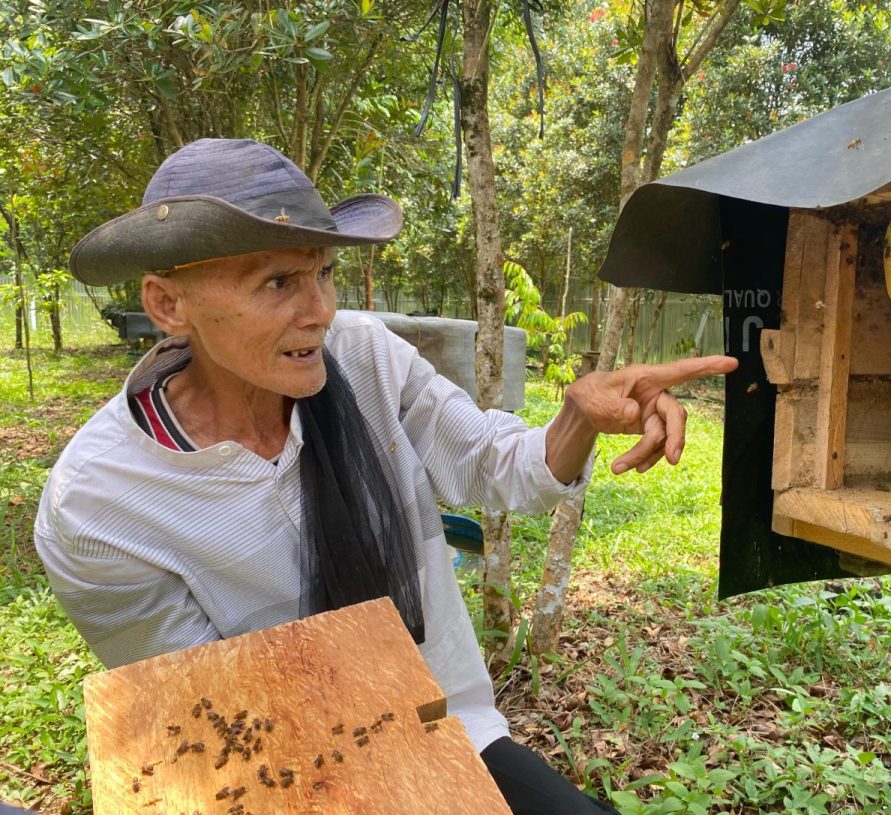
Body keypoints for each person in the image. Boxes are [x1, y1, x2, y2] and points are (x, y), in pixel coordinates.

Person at [34, 138, 737, 814]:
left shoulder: (365, 358)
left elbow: (491, 462)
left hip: (449, 722)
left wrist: (577, 417)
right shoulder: (98, 509)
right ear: (168, 305)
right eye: (278, 281)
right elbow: (215, 720)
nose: (320, 309)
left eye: (323, 272)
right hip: (287, 776)